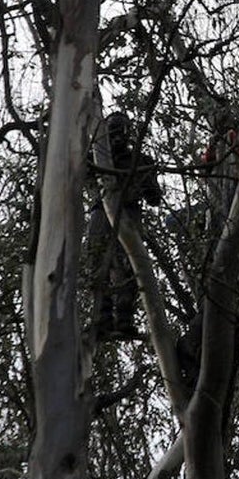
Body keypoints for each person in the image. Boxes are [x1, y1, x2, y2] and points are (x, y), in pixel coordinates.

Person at [87, 112, 163, 341]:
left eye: (121, 131)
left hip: (129, 213)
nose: (118, 136)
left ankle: (124, 320)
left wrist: (145, 177)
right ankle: (102, 319)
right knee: (98, 263)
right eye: (113, 131)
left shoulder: (139, 159)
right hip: (101, 212)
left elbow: (154, 198)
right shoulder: (96, 157)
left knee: (130, 266)